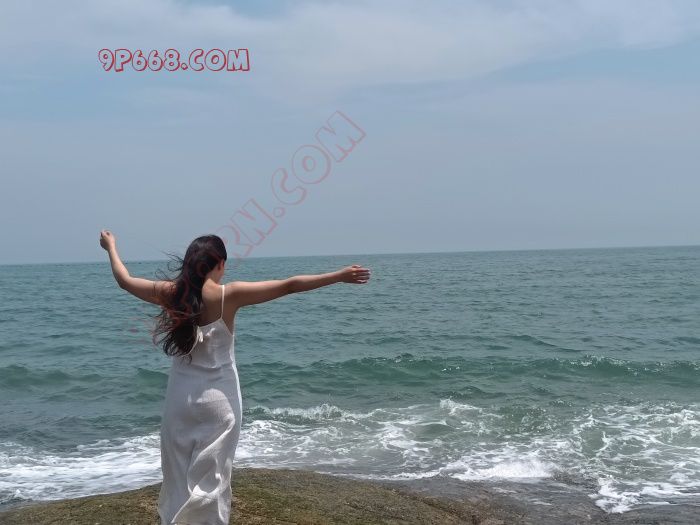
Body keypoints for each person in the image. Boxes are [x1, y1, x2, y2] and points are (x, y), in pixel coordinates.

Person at [99, 230, 371, 525]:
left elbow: (124, 280)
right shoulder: (228, 295)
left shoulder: (171, 293)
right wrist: (338, 276)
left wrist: (111, 247)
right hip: (219, 402)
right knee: (214, 478)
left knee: (176, 473)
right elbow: (290, 285)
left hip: (180, 401)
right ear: (220, 264)